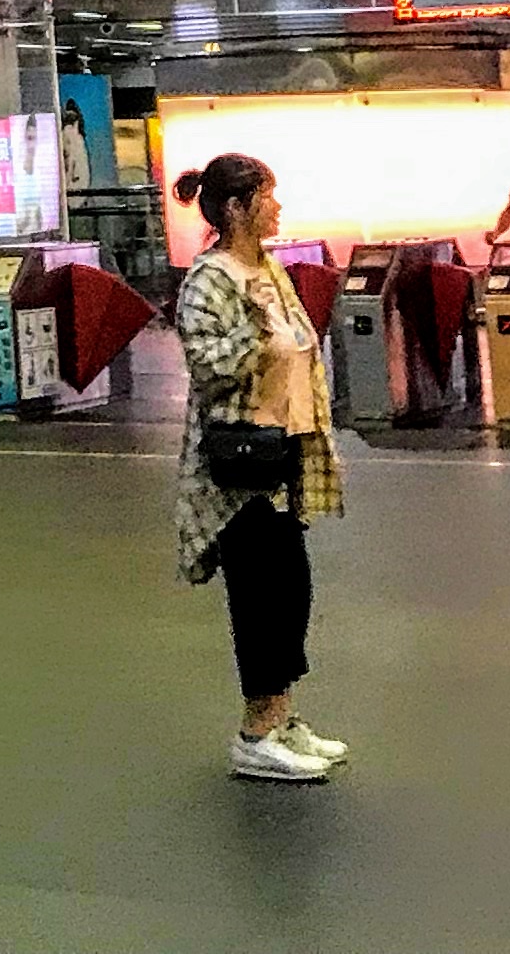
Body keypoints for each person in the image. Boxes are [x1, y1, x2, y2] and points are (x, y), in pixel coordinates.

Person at [172, 155, 350, 783]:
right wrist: (252, 326)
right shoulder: (209, 281)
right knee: (259, 597)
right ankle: (256, 732)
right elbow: (207, 364)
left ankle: (282, 717)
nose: (278, 208)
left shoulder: (270, 267)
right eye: (268, 198)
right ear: (236, 208)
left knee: (290, 592)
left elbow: (298, 347)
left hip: (286, 454)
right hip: (241, 465)